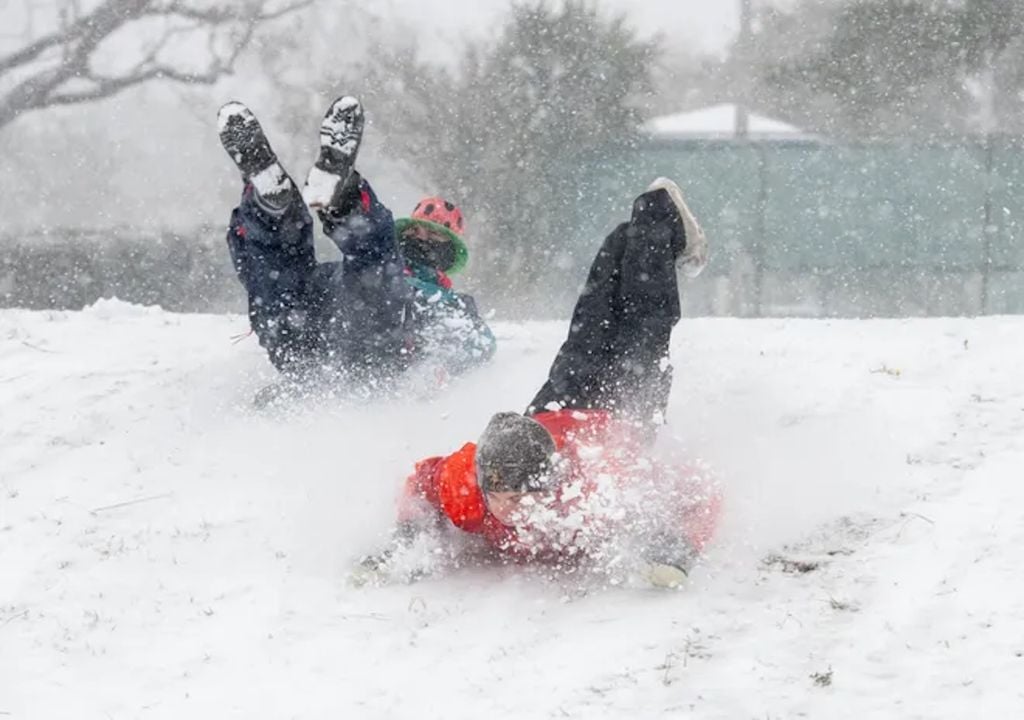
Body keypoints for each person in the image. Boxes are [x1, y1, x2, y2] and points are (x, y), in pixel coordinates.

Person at [354, 178, 720, 589]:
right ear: (484, 483)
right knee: (601, 313)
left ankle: (655, 214)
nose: (517, 509)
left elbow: (697, 491)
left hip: (620, 418)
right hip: (557, 407)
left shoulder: (597, 490)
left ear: (553, 481)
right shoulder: (466, 485)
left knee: (643, 318)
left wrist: (676, 546)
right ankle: (641, 231)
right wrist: (409, 538)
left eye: (529, 496)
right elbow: (422, 484)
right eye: (504, 497)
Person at [217, 96, 495, 405]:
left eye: (433, 236)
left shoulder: (448, 303)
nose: (421, 238)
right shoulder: (365, 275)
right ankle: (293, 202)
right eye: (416, 230)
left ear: (450, 254)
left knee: (350, 275)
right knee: (290, 282)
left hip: (350, 353)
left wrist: (436, 355)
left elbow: (478, 344)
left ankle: (307, 202)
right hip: (326, 349)